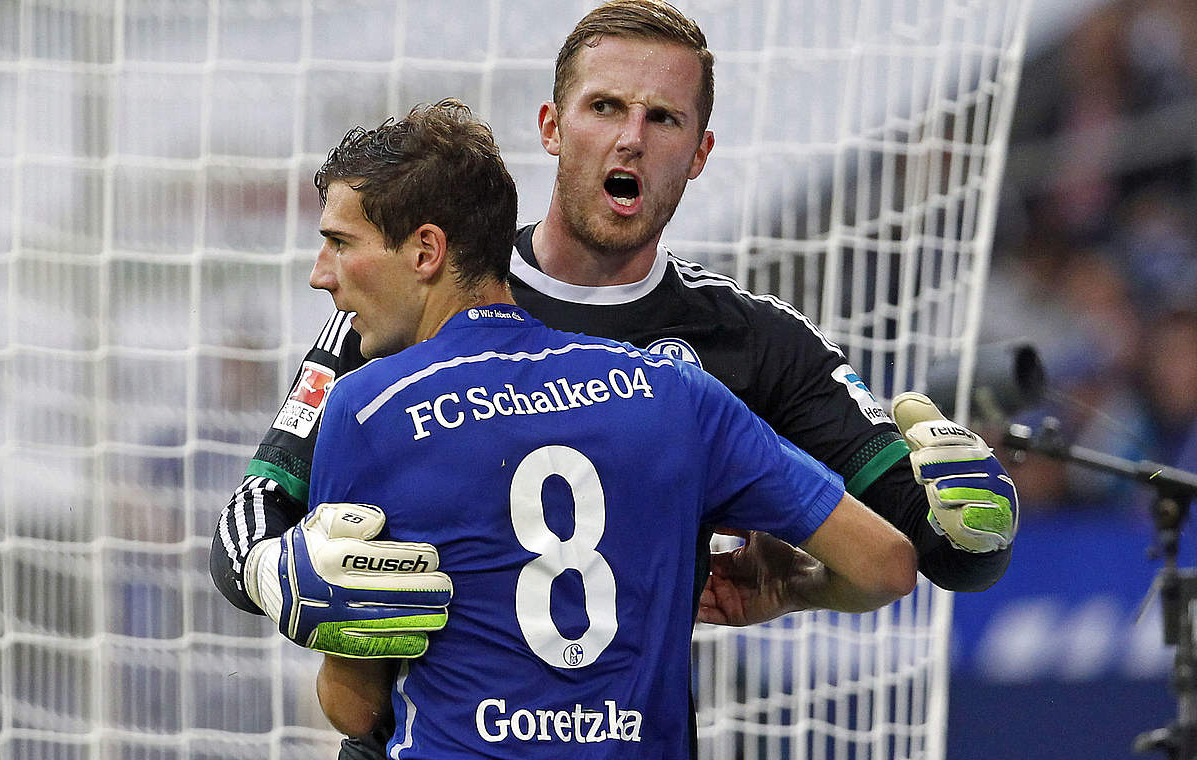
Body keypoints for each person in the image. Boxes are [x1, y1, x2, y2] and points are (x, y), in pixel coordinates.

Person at [209, 0, 1018, 754]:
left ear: (699, 154)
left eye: (662, 118)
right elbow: (252, 517)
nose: (631, 138)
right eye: (605, 108)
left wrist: (976, 523)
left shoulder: (752, 345)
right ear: (552, 127)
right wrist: (281, 572)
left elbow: (928, 546)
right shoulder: (409, 303)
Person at [284, 97, 915, 758]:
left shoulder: (368, 410)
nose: (319, 274)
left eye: (338, 243)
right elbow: (888, 564)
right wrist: (792, 585)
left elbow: (356, 710)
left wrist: (331, 629)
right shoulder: (674, 392)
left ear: (426, 252)